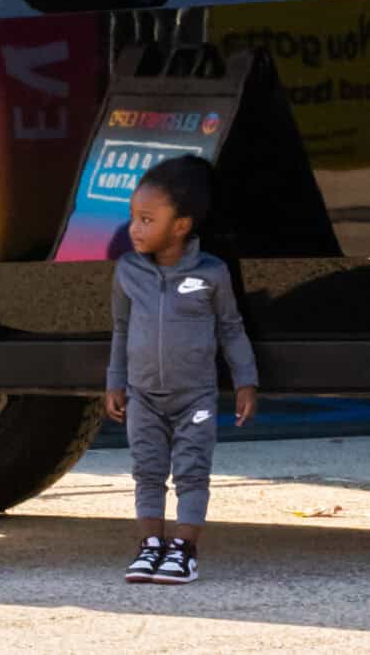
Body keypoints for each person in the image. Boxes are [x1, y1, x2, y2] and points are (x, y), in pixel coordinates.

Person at [105, 154, 258, 585]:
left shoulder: (212, 273)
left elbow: (231, 329)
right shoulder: (127, 272)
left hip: (196, 397)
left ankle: (184, 551)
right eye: (133, 217)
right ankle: (150, 546)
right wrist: (115, 382)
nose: (134, 229)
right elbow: (120, 328)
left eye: (147, 219)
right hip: (143, 396)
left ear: (181, 226)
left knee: (192, 470)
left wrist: (246, 381)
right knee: (146, 469)